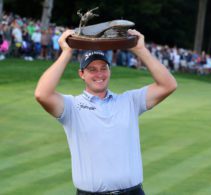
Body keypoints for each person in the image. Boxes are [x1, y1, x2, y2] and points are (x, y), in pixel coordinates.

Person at [34, 29, 177, 195]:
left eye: (103, 68)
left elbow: (168, 85)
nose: (99, 74)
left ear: (110, 71)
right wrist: (67, 53)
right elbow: (42, 94)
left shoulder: (129, 101)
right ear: (82, 74)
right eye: (92, 69)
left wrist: (140, 50)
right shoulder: (72, 106)